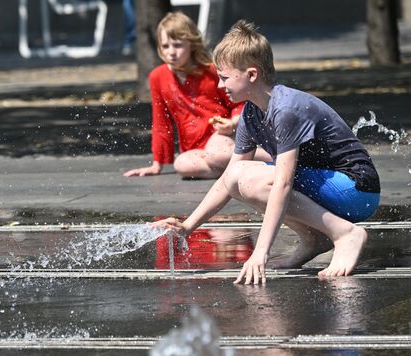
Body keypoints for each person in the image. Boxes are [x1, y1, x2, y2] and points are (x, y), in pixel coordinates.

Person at [151, 20, 381, 284]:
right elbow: (229, 178)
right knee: (238, 178)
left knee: (252, 180)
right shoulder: (251, 112)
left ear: (251, 74)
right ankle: (314, 239)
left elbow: (283, 183)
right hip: (329, 186)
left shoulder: (286, 109)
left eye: (224, 77)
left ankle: (344, 233)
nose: (219, 86)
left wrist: (260, 252)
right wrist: (187, 227)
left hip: (356, 190)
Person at [123, 12, 270, 179]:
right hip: (194, 146)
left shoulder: (211, 71)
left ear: (191, 44)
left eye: (177, 45)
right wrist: (158, 163)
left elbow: (239, 103)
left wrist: (232, 123)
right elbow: (161, 122)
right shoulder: (157, 76)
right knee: (182, 165)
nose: (171, 52)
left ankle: (273, 156)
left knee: (217, 155)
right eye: (165, 46)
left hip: (221, 134)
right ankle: (237, 170)